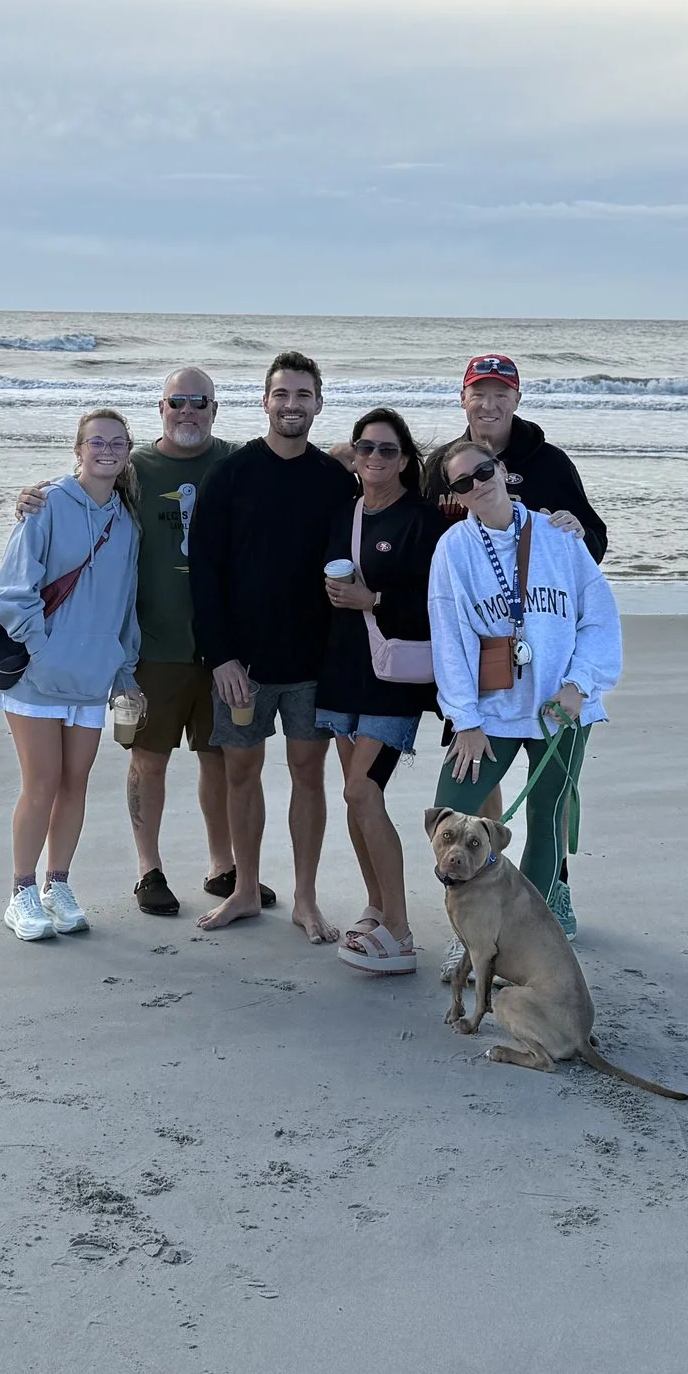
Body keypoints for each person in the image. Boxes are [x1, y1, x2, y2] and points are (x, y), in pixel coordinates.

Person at [14, 367, 255, 919]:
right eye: (177, 401)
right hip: (150, 644)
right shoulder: (135, 467)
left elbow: (299, 469)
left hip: (226, 647)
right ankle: (149, 869)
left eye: (200, 401)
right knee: (149, 759)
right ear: (161, 408)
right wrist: (33, 497)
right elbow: (83, 485)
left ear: (215, 409)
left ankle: (223, 866)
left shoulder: (237, 463)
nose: (188, 410)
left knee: (219, 758)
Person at [187, 351, 357, 937]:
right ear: (264, 401)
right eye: (282, 394)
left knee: (309, 773)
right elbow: (204, 572)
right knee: (241, 771)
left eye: (303, 394)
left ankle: (306, 899)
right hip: (242, 665)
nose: (292, 404)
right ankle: (245, 889)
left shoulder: (335, 480)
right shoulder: (229, 475)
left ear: (319, 404)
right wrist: (220, 656)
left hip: (312, 663)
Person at [427, 435, 621, 937]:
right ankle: (474, 932)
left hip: (562, 705)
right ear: (456, 495)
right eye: (463, 483)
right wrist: (465, 720)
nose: (477, 485)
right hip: (492, 709)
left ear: (501, 470)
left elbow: (599, 616)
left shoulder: (558, 534)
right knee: (453, 810)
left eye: (483, 471)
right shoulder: (454, 549)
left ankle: (527, 934)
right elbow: (449, 640)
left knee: (547, 813)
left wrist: (580, 685)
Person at [0, 408, 145, 942]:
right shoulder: (49, 503)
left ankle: (57, 885)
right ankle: (21, 893)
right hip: (39, 675)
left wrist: (124, 671)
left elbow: (125, 605)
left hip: (93, 677)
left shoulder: (126, 521)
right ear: (78, 450)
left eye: (117, 442)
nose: (107, 450)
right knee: (42, 783)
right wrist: (42, 648)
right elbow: (15, 589)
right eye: (96, 441)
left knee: (75, 784)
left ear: (128, 452)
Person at [314, 407, 442, 976]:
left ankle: (401, 931)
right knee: (355, 794)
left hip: (396, 676)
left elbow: (438, 600)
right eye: (365, 448)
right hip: (345, 667)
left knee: (362, 791)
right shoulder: (344, 513)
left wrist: (376, 600)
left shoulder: (423, 520)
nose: (375, 458)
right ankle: (376, 906)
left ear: (406, 458)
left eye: (388, 449)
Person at [426, 353, 606, 559]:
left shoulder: (551, 463)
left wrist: (578, 536)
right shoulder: (441, 463)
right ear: (463, 398)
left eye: (501, 395)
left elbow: (596, 544)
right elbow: (419, 537)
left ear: (517, 400)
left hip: (533, 577)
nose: (489, 405)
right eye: (478, 394)